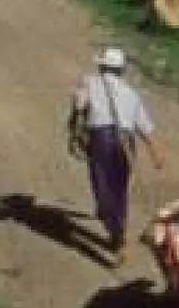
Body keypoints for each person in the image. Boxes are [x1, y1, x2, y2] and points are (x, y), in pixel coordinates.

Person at [69, 47, 166, 259]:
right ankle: (118, 229)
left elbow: (79, 105)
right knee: (120, 188)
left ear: (102, 66)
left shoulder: (90, 82)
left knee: (102, 184)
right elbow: (145, 126)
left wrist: (74, 126)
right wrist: (156, 152)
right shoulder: (131, 93)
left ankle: (111, 223)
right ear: (120, 70)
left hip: (101, 138)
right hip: (126, 142)